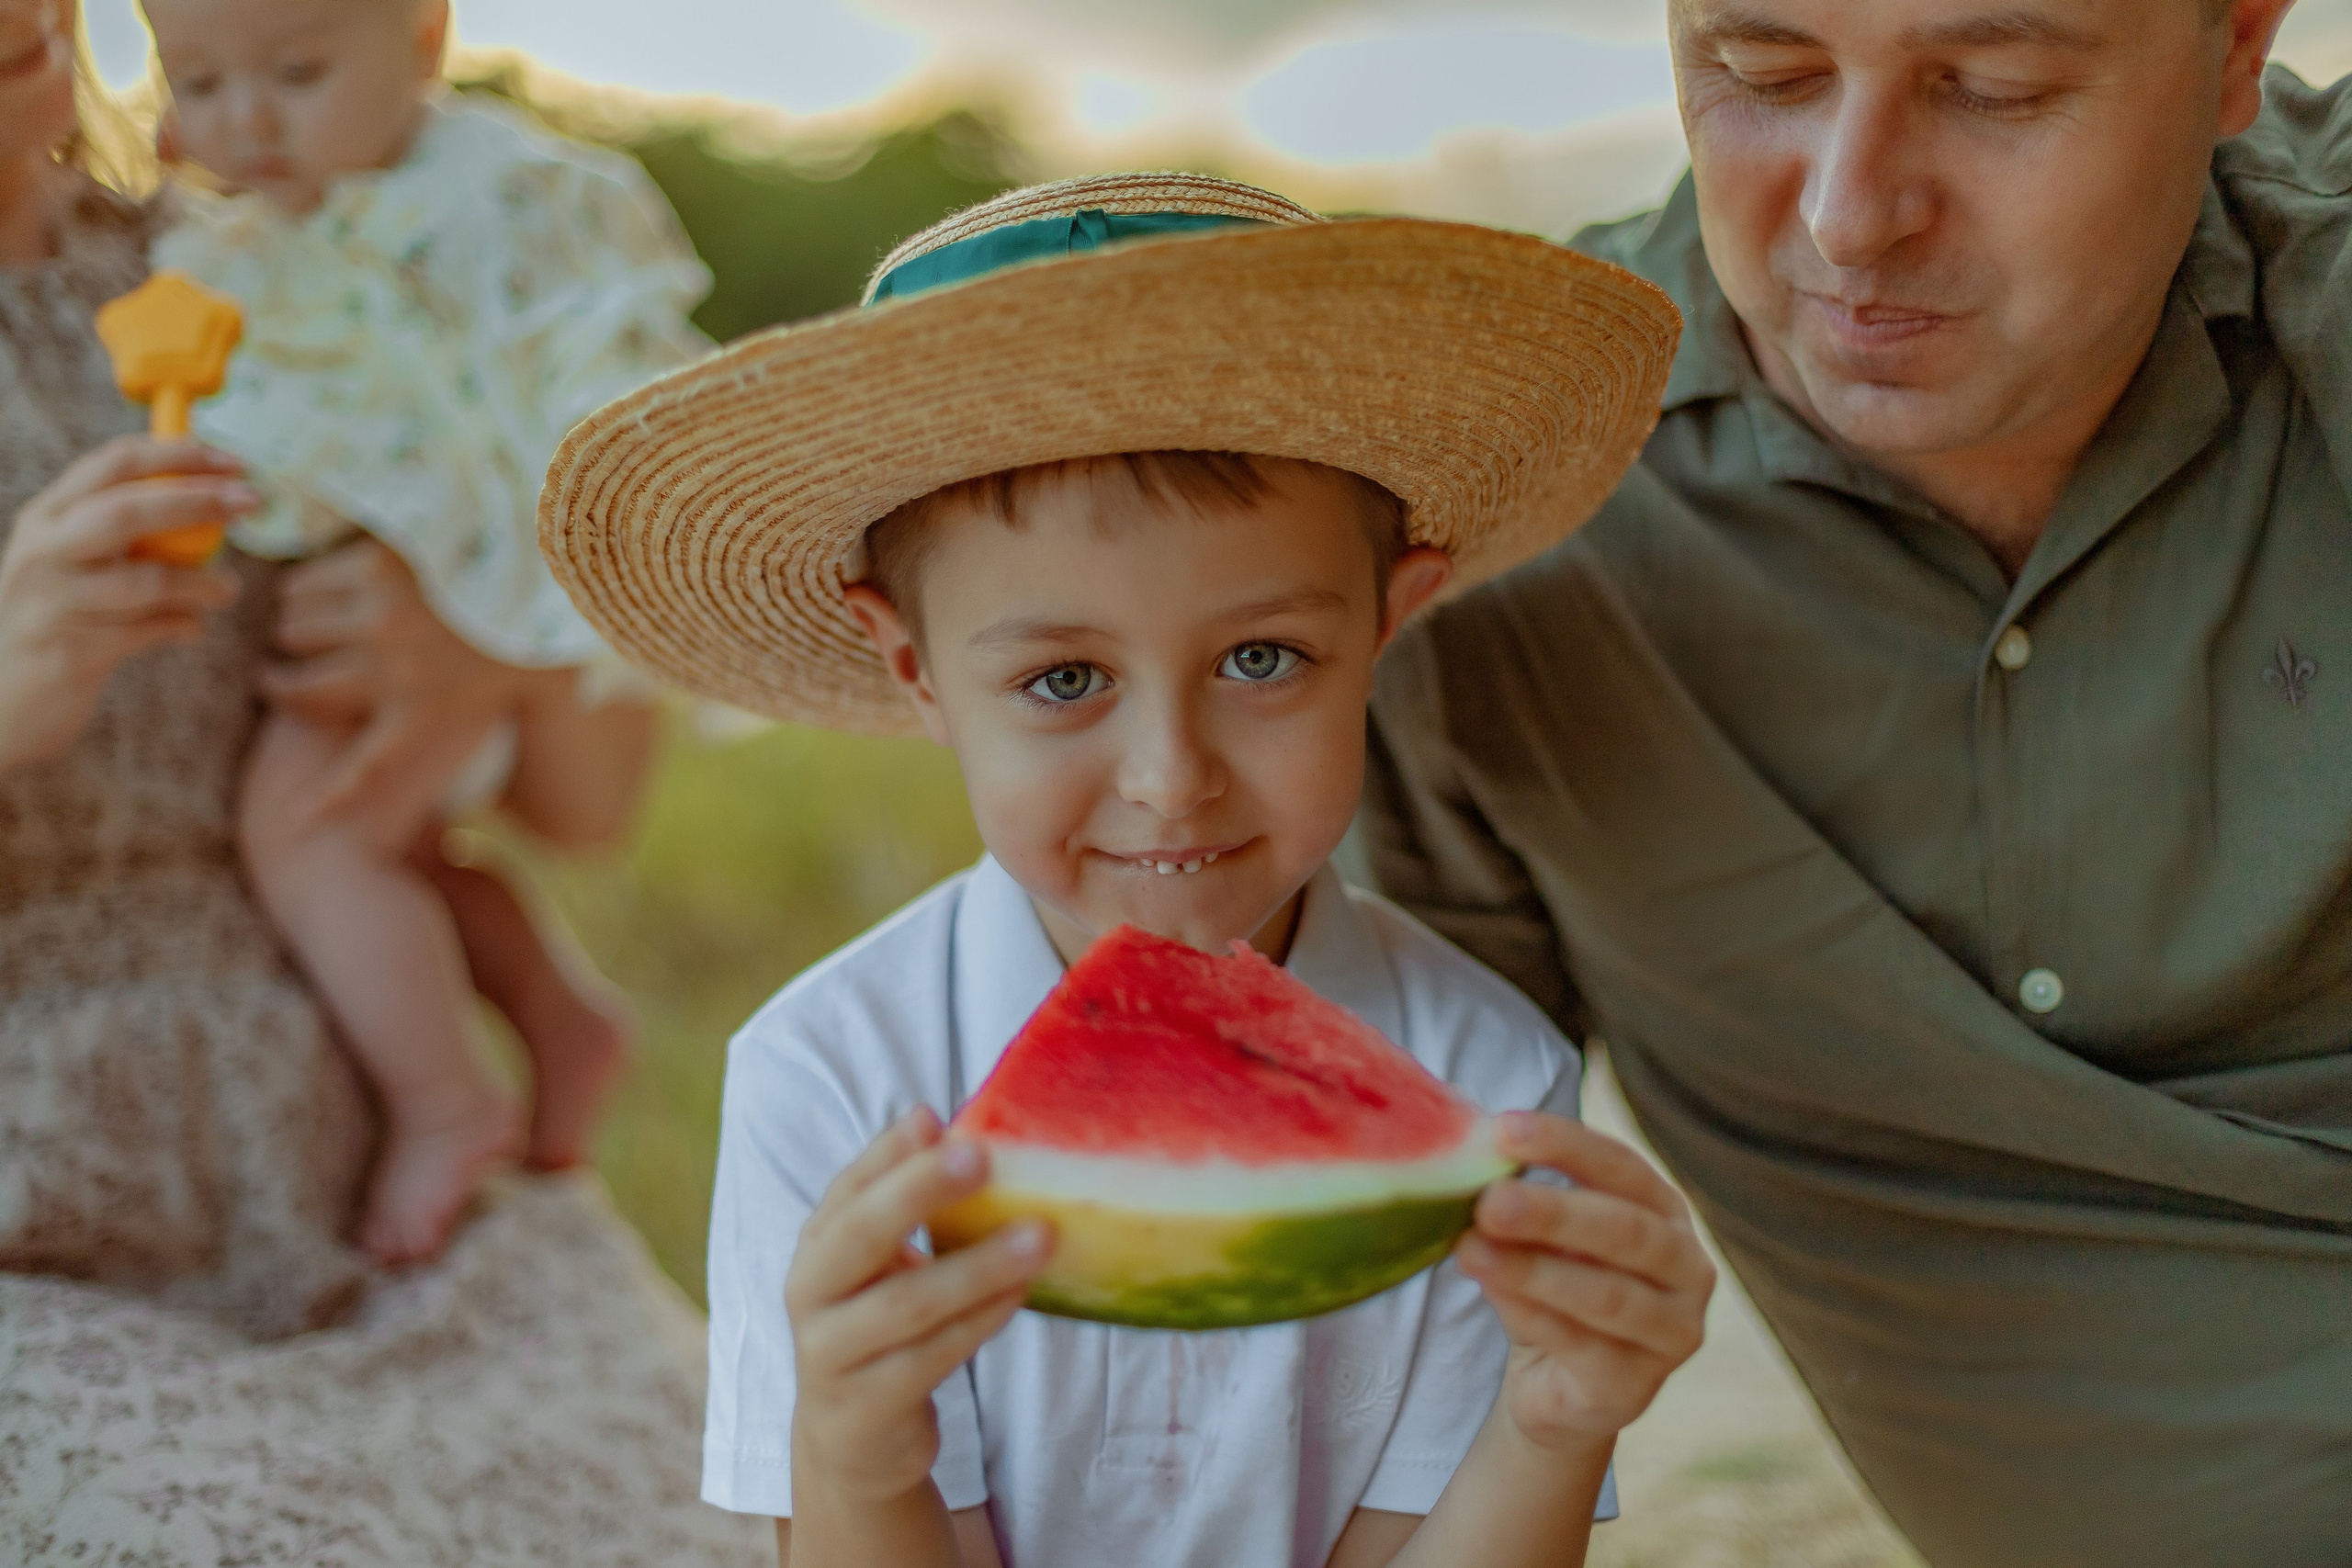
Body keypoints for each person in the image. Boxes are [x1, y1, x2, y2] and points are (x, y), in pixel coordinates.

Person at [538, 173, 1715, 1567]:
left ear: (1390, 624)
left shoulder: (1486, 1077)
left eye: (1261, 659)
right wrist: (856, 1453)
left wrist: (1553, 1427)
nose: (1171, 774)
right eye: (1065, 678)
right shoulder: (830, 1074)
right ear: (914, 667)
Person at [1355, 2, 2351, 1564]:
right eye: (1761, 77)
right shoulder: (1465, 537)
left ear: (2236, 48)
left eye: (1997, 88)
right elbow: (1360, 1338)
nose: (1847, 213)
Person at [0, 5, 767, 1562]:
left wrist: (483, 632)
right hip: (42, 1235)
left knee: (734, 1532)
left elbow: (588, 808)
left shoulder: (291, 253)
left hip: (369, 1189)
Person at [133, 0, 711, 1262]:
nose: (252, 120)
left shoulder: (483, 203)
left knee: (305, 828)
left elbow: (586, 389)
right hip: (417, 598)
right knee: (405, 849)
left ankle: (447, 1104)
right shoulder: (267, 219)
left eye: (295, 73)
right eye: (206, 82)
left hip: (472, 590)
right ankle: (559, 1015)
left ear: (425, 42)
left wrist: (511, 619)